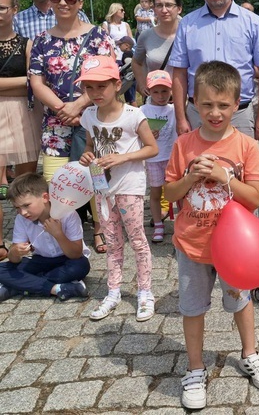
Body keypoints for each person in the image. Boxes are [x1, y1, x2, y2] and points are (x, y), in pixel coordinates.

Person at [164, 61, 259, 410]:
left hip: (236, 251)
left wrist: (224, 176)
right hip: (192, 243)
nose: (215, 113)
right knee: (193, 307)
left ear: (237, 103)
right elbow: (171, 191)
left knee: (241, 301)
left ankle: (250, 353)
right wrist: (190, 179)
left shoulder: (245, 146)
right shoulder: (184, 144)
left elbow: (255, 198)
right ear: (194, 101)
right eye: (207, 104)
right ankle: (195, 369)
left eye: (223, 105)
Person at [28, 0, 115, 254]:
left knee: (95, 176)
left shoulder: (97, 36)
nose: (63, 2)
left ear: (79, 2)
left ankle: (100, 230)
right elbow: (36, 82)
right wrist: (61, 109)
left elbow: (108, 77)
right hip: (55, 125)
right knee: (57, 182)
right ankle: (65, 233)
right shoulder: (41, 40)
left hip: (91, 119)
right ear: (50, 0)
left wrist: (78, 105)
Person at [77, 56, 158, 321]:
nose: (95, 93)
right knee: (112, 242)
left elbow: (151, 148)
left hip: (129, 186)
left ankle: (145, 291)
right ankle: (113, 291)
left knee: (137, 240)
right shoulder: (89, 115)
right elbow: (90, 147)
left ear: (117, 84)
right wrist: (87, 157)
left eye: (101, 86)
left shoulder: (133, 115)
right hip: (102, 186)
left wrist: (123, 158)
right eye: (89, 87)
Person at [170, 0, 259, 141]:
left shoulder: (253, 23)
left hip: (239, 114)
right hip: (198, 114)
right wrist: (180, 117)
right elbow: (179, 73)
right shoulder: (187, 24)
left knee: (240, 169)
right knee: (198, 167)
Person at [0, 0, 43, 250]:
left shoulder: (27, 44)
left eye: (2, 8)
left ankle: (26, 239)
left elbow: (34, 81)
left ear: (14, 9)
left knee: (25, 185)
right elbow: (26, 81)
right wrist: (21, 82)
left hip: (23, 118)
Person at [0, 173, 90, 302]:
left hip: (67, 260)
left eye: (26, 205)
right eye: (17, 208)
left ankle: (18, 287)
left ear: (45, 197)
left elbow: (75, 254)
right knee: (2, 269)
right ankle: (55, 288)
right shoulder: (21, 219)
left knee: (81, 266)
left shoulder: (68, 214)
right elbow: (14, 259)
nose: (23, 212)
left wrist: (59, 235)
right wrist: (15, 252)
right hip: (41, 260)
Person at [140, 70, 177, 243]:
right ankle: (158, 224)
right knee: (155, 192)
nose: (160, 96)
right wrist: (146, 135)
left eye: (164, 91)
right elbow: (136, 134)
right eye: (156, 91)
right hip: (154, 158)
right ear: (148, 91)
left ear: (171, 90)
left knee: (177, 193)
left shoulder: (175, 109)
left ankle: (179, 224)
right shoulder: (142, 111)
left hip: (173, 157)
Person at [133, 0, 183, 96]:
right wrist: (142, 85)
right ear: (154, 9)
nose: (164, 10)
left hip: (184, 99)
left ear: (179, 9)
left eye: (169, 5)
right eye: (159, 5)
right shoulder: (146, 35)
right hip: (157, 100)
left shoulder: (189, 35)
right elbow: (136, 62)